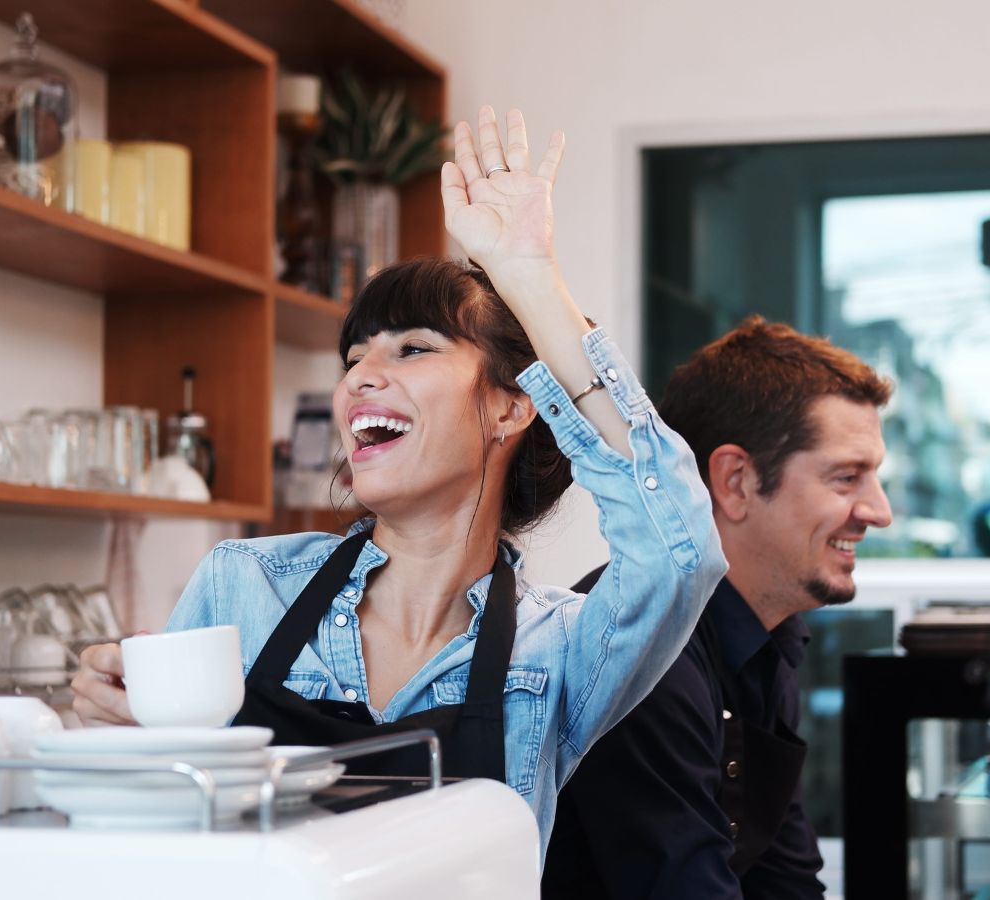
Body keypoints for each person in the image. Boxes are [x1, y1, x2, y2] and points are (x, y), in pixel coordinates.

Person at [70, 107, 726, 853]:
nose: (362, 378)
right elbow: (151, 829)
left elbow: (680, 547)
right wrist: (115, 727)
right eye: (353, 357)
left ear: (514, 407)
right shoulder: (244, 585)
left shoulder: (559, 652)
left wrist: (529, 277)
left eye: (413, 349)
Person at [542, 319, 894, 898]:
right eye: (847, 477)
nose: (879, 512)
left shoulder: (771, 639)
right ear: (735, 482)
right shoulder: (641, 645)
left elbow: (786, 879)